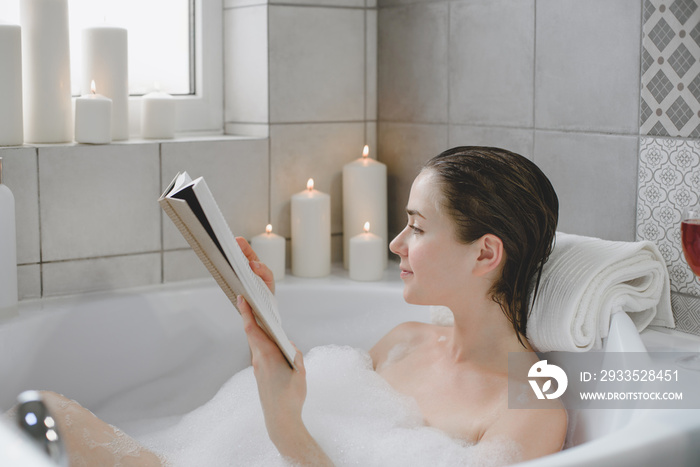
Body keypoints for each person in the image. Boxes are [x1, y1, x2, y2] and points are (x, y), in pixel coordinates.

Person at [11, 146, 566, 466]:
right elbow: (319, 418)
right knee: (41, 413)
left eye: (417, 227)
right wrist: (267, 325)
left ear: (486, 253)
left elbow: (297, 435)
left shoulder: (535, 401)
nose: (397, 244)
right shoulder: (403, 339)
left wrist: (283, 428)